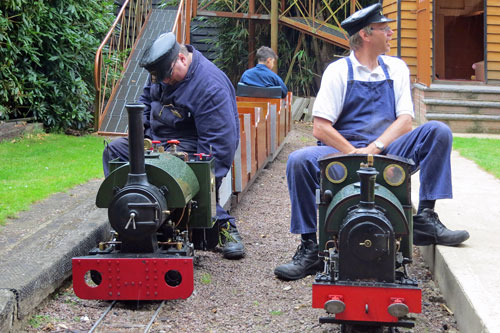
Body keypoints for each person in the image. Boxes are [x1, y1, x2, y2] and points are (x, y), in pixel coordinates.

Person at [274, 3, 470, 281]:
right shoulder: (338, 71)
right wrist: (354, 153)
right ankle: (311, 248)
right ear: (366, 35)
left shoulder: (397, 68)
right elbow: (320, 128)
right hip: (344, 151)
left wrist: (375, 148)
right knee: (298, 161)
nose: (391, 33)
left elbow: (405, 121)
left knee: (438, 131)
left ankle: (425, 218)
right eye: (384, 28)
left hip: (387, 149)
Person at [102, 32, 245, 260]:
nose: (164, 82)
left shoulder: (210, 86)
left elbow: (218, 145)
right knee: (115, 151)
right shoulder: (162, 74)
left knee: (175, 168)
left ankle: (222, 225)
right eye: (159, 78)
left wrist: (206, 189)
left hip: (189, 147)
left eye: (168, 76)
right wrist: (140, 131)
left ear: (181, 58)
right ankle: (128, 213)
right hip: (156, 141)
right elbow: (146, 100)